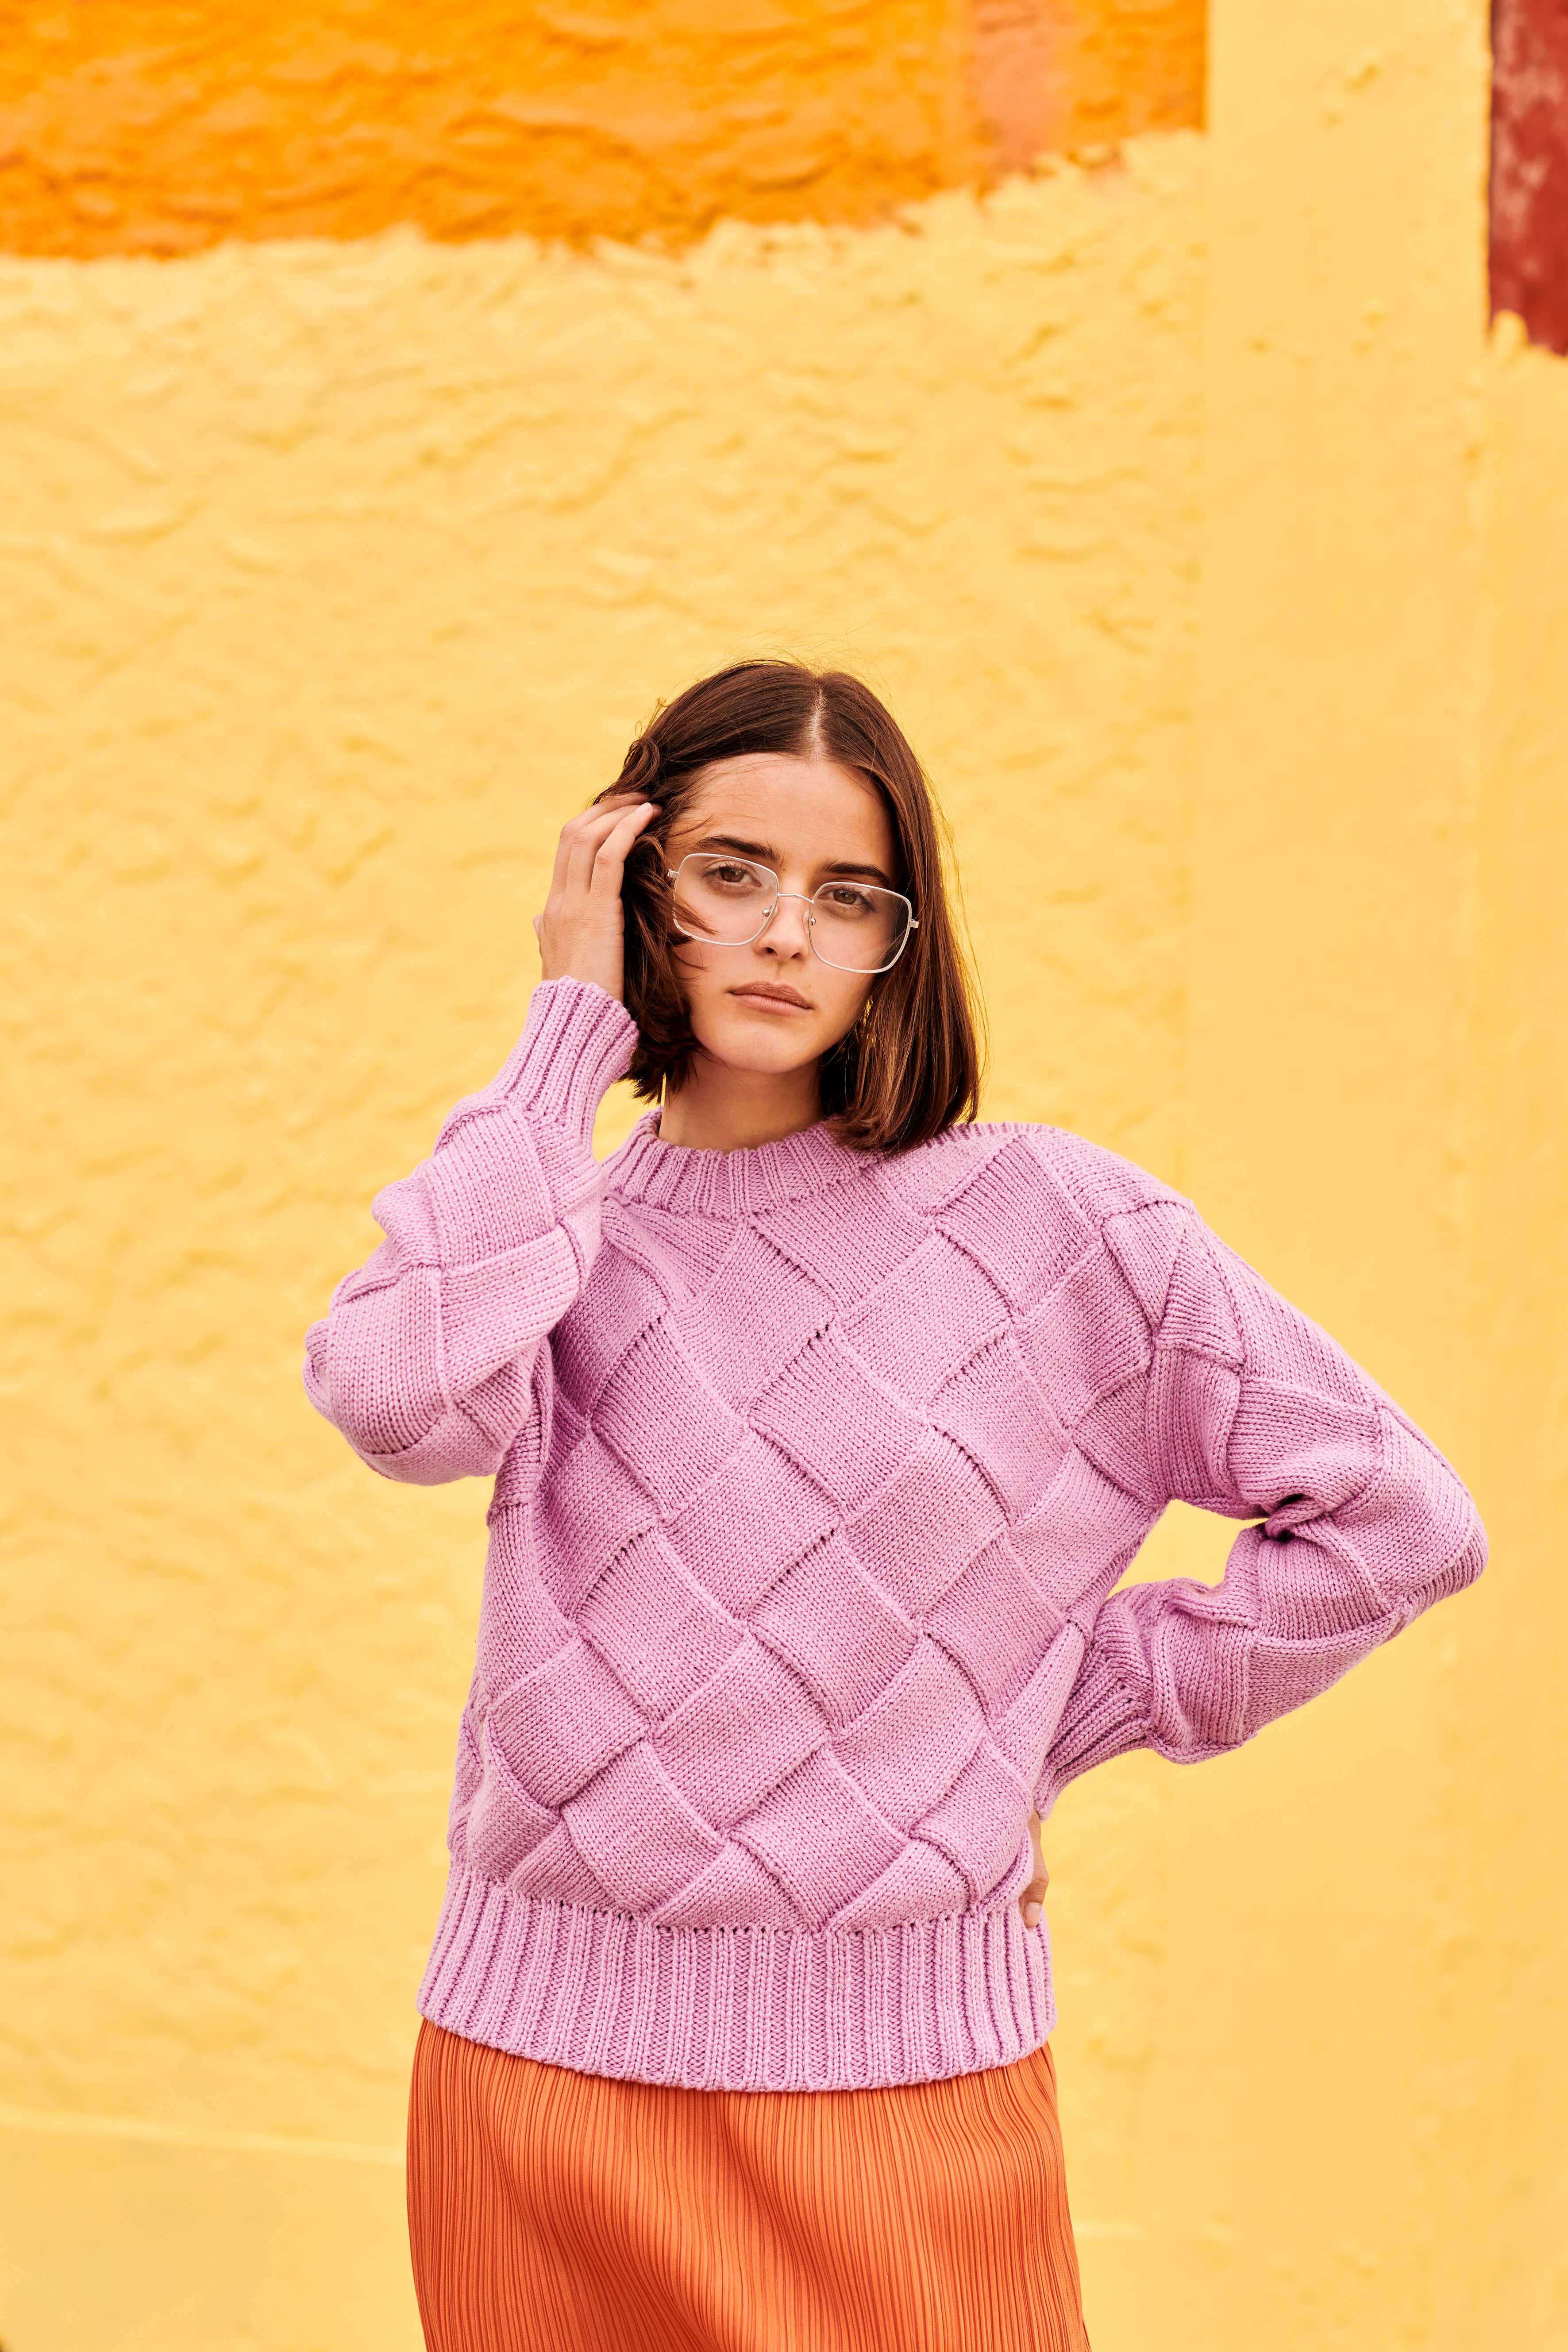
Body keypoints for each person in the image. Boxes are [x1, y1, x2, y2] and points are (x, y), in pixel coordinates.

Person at [304, 660, 1485, 2352]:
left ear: (896, 941)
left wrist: (1074, 1701)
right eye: (732, 873)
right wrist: (564, 1037)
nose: (787, 934)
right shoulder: (556, 1234)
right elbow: (396, 1401)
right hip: (535, 2079)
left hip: (902, 2090)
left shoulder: (1057, 1226)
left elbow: (1400, 1519)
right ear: (630, 884)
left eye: (847, 895)